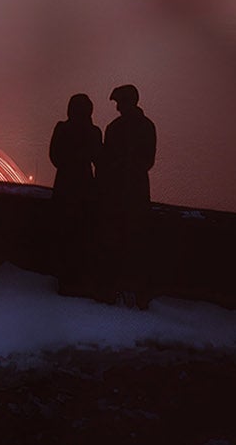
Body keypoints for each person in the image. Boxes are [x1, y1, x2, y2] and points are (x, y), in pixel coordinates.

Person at [98, 84, 157, 301]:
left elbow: (108, 162)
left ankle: (119, 286)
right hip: (134, 191)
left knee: (121, 239)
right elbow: (147, 160)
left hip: (122, 193)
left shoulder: (115, 128)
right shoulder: (146, 126)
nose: (117, 108)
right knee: (132, 238)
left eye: (119, 103)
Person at [47, 93, 101, 294]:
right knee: (82, 234)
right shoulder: (94, 132)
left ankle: (65, 280)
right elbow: (99, 158)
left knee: (65, 233)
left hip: (64, 186)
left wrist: (68, 165)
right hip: (85, 188)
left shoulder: (62, 129)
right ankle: (79, 279)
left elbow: (54, 156)